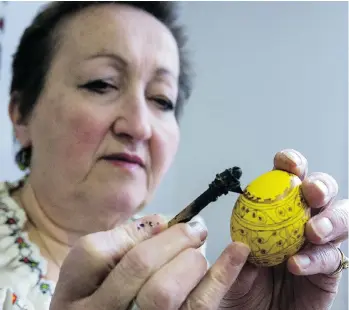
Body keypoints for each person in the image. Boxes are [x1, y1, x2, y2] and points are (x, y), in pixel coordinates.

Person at [0, 1, 347, 309]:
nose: (139, 126)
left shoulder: (188, 276)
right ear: (20, 113)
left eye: (162, 100)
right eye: (101, 83)